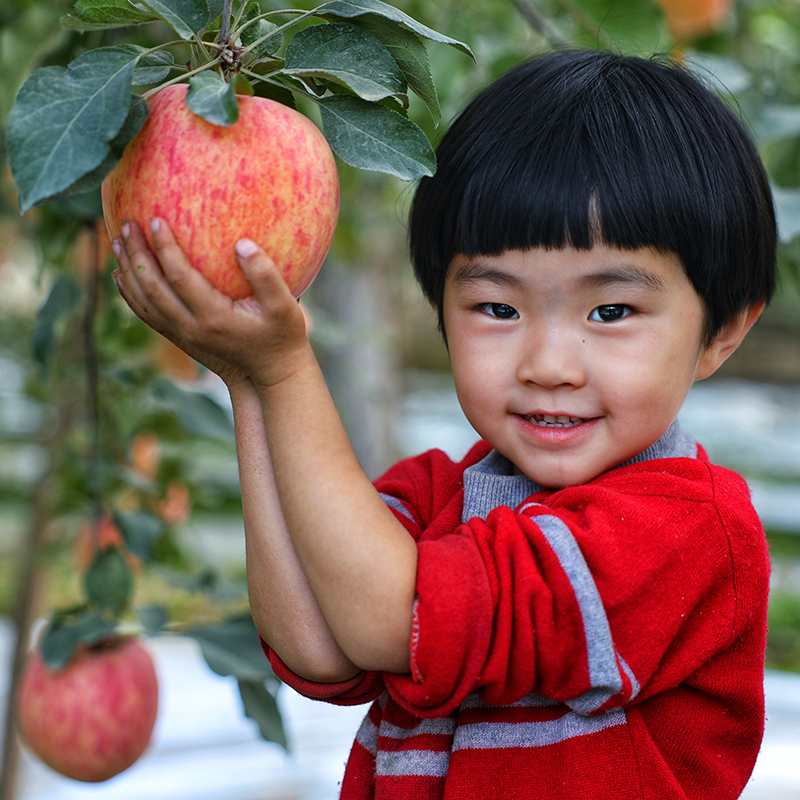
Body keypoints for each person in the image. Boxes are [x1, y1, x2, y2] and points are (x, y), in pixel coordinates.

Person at [111, 49, 775, 799]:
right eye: (498, 308)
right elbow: (321, 645)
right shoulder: (437, 494)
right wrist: (247, 384)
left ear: (721, 332)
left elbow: (396, 621)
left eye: (611, 311)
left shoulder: (688, 534)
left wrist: (286, 371)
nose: (548, 362)